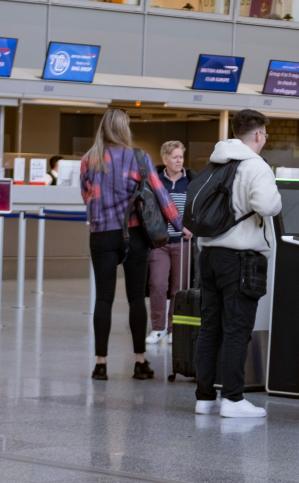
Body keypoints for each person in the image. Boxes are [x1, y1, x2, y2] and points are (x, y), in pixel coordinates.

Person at [80, 110, 185, 382]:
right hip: (134, 235)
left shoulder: (88, 159)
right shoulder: (139, 157)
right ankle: (140, 362)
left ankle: (100, 364)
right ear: (124, 128)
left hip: (101, 234)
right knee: (136, 298)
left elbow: (86, 197)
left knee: (104, 298)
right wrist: (180, 225)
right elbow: (160, 194)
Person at [194, 110, 281, 418]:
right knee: (236, 330)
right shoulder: (256, 166)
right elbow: (268, 205)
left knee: (210, 328)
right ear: (258, 136)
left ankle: (204, 398)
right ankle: (232, 399)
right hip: (241, 259)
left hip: (209, 256)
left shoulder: (216, 161)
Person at [146, 141, 192, 345]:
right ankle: (158, 328)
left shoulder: (191, 182)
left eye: (181, 156)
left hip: (182, 242)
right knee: (157, 284)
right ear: (165, 159)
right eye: (175, 157)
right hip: (160, 243)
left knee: (179, 288)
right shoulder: (155, 181)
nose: (179, 160)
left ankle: (175, 329)